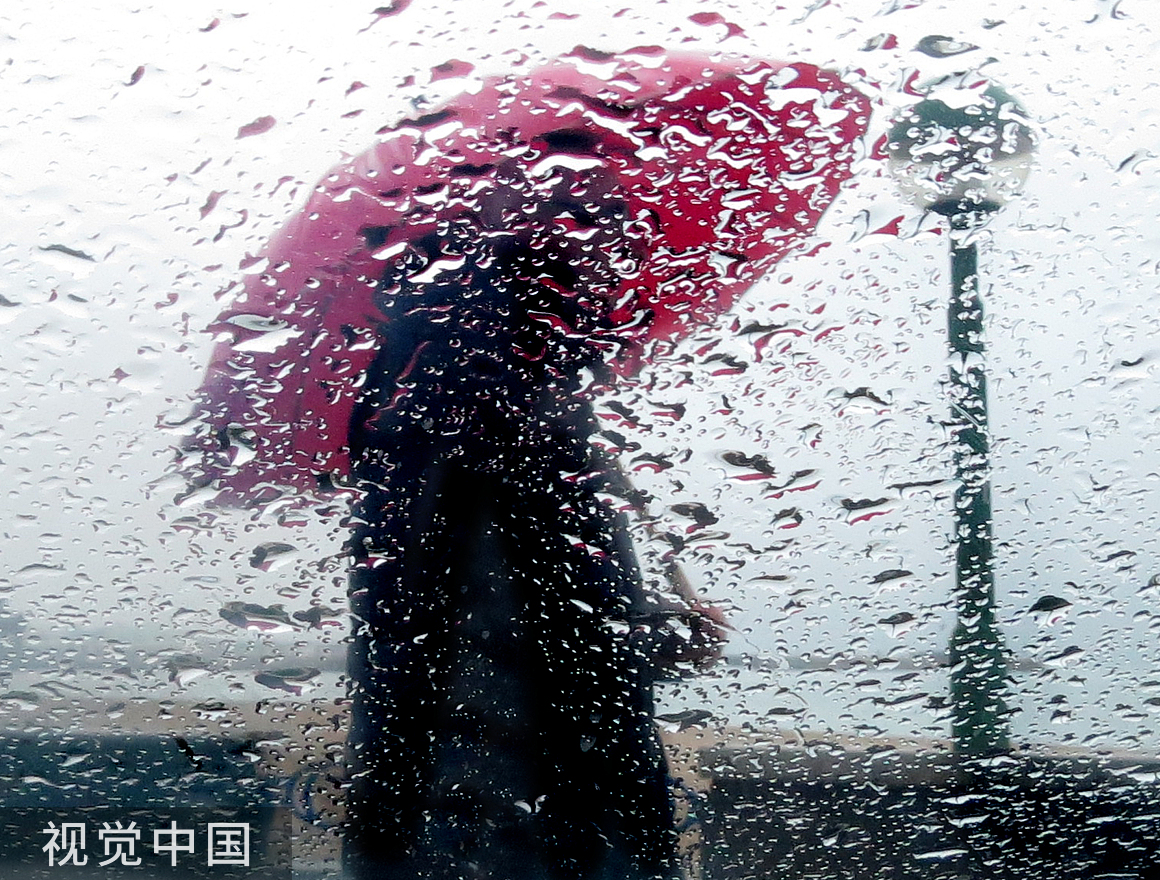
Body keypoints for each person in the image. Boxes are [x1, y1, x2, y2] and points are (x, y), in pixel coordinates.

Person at [187, 52, 866, 879]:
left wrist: (647, 624)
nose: (613, 257)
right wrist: (635, 628)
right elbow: (517, 650)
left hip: (477, 806)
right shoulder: (487, 421)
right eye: (590, 227)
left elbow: (525, 632)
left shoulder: (462, 410)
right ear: (522, 249)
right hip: (513, 830)